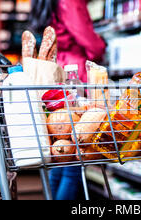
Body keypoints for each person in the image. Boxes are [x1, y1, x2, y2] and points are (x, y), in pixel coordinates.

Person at [29, 0, 106, 200]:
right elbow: (88, 39)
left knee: (61, 154)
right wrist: (102, 45)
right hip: (76, 76)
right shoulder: (69, 1)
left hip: (57, 73)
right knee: (74, 160)